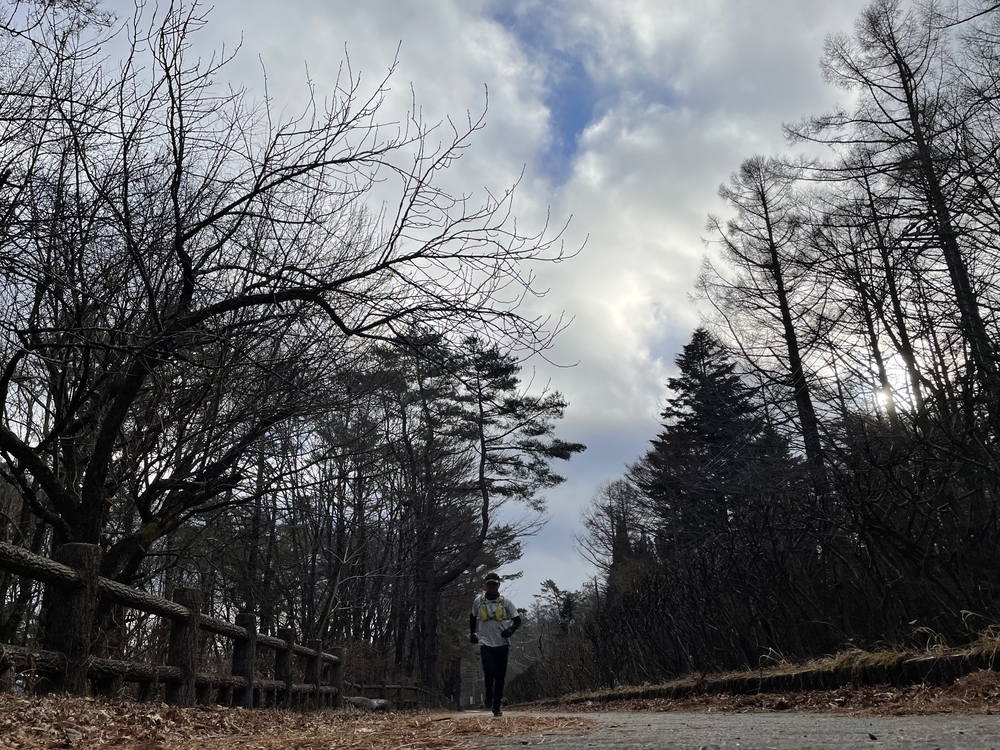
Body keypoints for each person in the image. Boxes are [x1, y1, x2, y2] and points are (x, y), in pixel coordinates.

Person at [470, 572, 521, 716]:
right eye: (489, 584)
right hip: (485, 641)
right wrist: (472, 633)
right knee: (489, 670)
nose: (491, 587)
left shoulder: (506, 603)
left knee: (500, 676)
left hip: (502, 643)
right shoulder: (478, 601)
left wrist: (510, 630)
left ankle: (497, 706)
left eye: (494, 584)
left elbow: (517, 620)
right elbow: (473, 617)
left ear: (498, 585)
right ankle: (488, 696)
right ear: (486, 585)